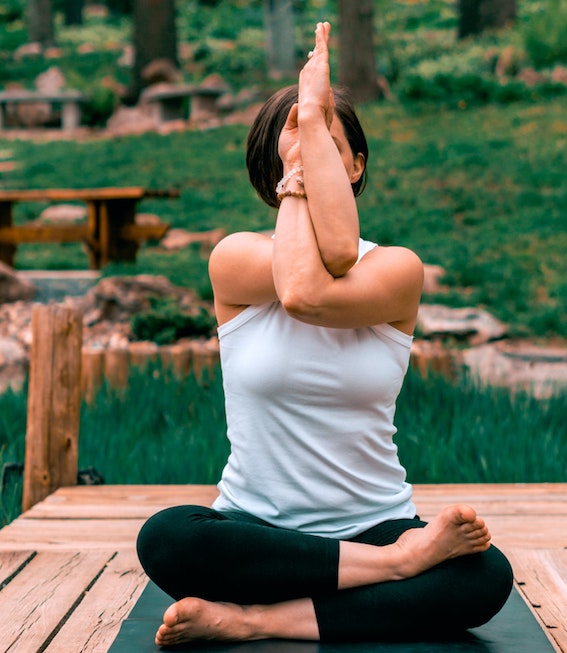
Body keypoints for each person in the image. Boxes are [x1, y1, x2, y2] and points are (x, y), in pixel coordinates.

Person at [136, 21, 513, 648]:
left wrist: (310, 122)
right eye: (296, 148)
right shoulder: (234, 259)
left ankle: (255, 620)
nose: (310, 158)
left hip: (375, 523)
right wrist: (308, 142)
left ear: (358, 163)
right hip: (257, 532)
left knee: (484, 578)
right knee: (167, 538)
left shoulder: (396, 269)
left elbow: (332, 265)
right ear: (273, 167)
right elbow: (302, 289)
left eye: (327, 147)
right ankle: (393, 571)